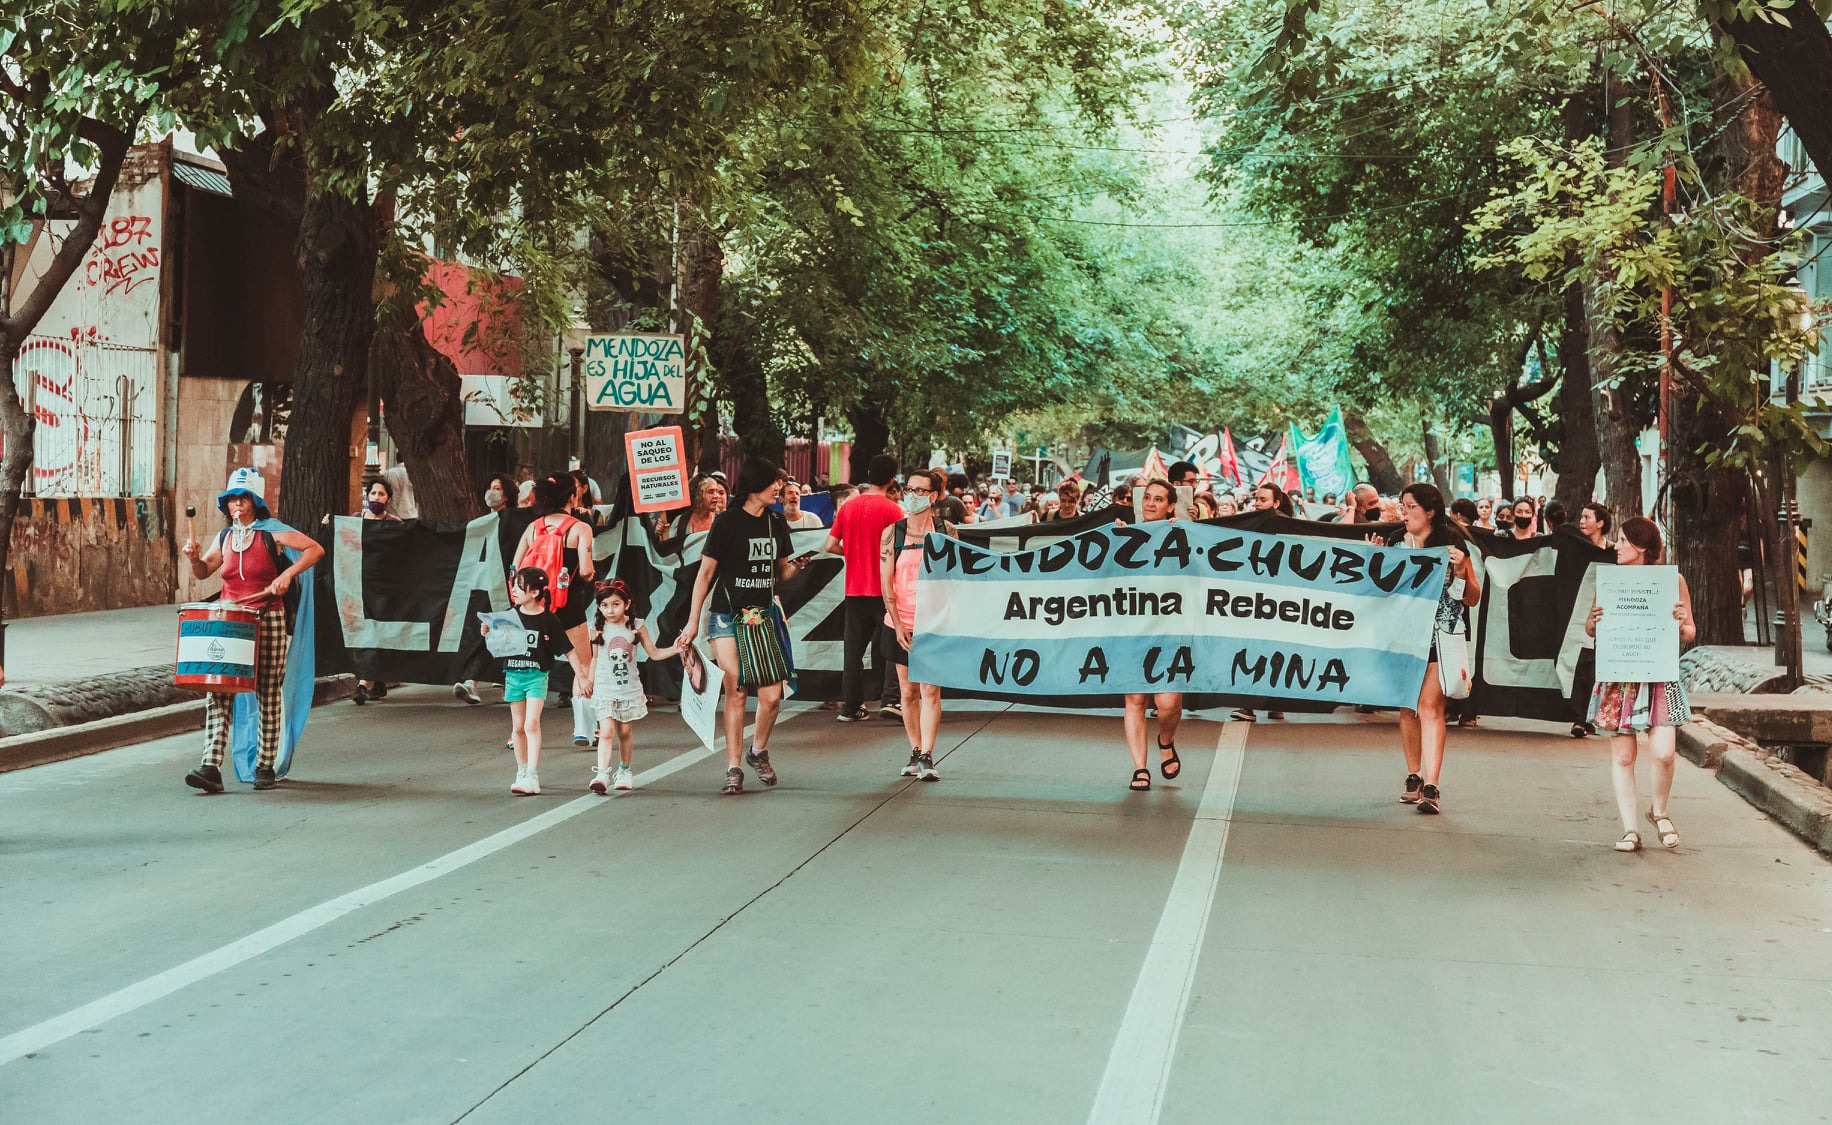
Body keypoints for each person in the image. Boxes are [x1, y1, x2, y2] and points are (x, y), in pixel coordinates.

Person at [181, 469, 326, 793]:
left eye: (243, 498)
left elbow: (315, 550)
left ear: (255, 502)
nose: (237, 504)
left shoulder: (272, 533)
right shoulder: (225, 538)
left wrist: (287, 574)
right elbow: (204, 571)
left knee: (267, 691)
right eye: (232, 498)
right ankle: (210, 765)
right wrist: (193, 559)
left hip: (268, 617)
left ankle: (264, 766)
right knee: (219, 691)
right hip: (231, 622)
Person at [679, 457, 815, 795]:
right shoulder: (727, 522)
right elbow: (705, 574)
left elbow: (781, 573)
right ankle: (733, 767)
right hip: (726, 615)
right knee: (736, 689)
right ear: (756, 485)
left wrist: (798, 566)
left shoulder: (776, 523)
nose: (779, 489)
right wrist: (693, 621)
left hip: (763, 617)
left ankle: (758, 751)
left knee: (771, 697)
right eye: (774, 483)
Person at [1585, 516, 1695, 852]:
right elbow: (1590, 628)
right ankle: (1630, 829)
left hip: (1658, 676)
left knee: (1664, 753)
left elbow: (1689, 631)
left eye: (1622, 541)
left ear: (1642, 546)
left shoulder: (1672, 581)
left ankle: (1659, 811)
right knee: (1623, 757)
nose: (1616, 547)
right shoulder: (1610, 581)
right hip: (1620, 677)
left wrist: (1681, 623)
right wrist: (1594, 621)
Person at [1388, 483, 1483, 815]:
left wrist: (1460, 570)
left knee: (1430, 706)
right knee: (1407, 708)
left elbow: (1472, 597)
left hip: (1440, 636)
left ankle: (1432, 784)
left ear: (1430, 511)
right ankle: (1413, 774)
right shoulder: (1394, 543)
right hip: (1403, 636)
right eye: (1402, 505)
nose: (1405, 512)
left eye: (1411, 506)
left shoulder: (1452, 546)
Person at [483, 568, 591, 795]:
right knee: (518, 727)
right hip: (513, 676)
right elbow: (496, 641)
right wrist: (486, 631)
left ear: (534, 592)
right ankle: (521, 771)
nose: (514, 590)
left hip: (536, 677)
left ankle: (532, 775)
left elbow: (569, 650)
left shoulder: (548, 619)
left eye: (519, 586)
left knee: (531, 723)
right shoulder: (509, 616)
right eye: (514, 585)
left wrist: (582, 678)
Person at [881, 468, 954, 782]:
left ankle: (927, 754)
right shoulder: (892, 533)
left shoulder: (946, 531)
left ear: (933, 496)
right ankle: (914, 749)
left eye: (920, 490)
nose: (912, 495)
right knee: (908, 692)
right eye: (908, 489)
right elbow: (886, 582)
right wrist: (897, 624)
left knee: (930, 690)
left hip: (933, 625)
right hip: (901, 623)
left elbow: (954, 578)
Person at [512, 473, 597, 734]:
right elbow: (586, 571)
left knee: (527, 671)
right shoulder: (580, 528)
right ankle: (584, 728)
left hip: (534, 608)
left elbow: (515, 569)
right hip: (568, 605)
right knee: (583, 665)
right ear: (572, 497)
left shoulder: (532, 528)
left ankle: (518, 733)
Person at [823, 454, 904, 723]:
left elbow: (830, 546)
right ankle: (891, 699)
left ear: (868, 473)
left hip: (854, 589)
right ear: (892, 480)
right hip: (885, 589)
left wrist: (853, 553)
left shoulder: (848, 507)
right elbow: (901, 549)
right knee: (893, 645)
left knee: (853, 651)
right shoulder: (893, 510)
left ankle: (851, 706)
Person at [587, 580, 679, 793]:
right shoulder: (596, 628)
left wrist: (675, 649)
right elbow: (594, 658)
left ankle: (624, 770)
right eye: (605, 605)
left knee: (625, 732)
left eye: (616, 604)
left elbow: (654, 653)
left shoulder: (636, 626)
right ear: (599, 607)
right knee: (606, 731)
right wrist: (588, 681)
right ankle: (602, 774)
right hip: (604, 688)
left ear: (627, 604)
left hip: (628, 689)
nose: (610, 610)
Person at [1123, 480, 1185, 791]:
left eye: (1158, 499)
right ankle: (1140, 768)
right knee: (1135, 698)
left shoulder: (1182, 534)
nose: (1150, 503)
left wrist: (1185, 533)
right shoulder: (1124, 535)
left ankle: (1166, 740)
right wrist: (1116, 538)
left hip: (1171, 630)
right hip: (1133, 629)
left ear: (1170, 505)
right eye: (1147, 497)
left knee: (1168, 702)